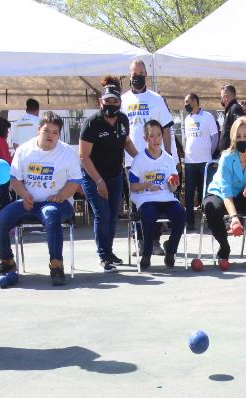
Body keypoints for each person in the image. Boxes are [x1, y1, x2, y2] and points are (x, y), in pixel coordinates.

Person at [0, 111, 82, 286]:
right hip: (28, 202)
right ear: (38, 130)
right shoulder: (24, 150)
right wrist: (24, 195)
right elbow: (14, 178)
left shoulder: (67, 152)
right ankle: (7, 263)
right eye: (47, 131)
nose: (51, 136)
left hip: (57, 204)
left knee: (51, 214)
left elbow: (75, 180)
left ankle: (56, 266)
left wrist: (61, 195)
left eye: (55, 132)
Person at [79, 76, 138, 273]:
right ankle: (102, 256)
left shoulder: (123, 120)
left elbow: (126, 142)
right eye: (108, 101)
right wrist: (98, 180)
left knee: (113, 216)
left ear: (120, 103)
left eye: (115, 101)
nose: (111, 105)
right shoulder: (91, 124)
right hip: (93, 176)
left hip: (115, 175)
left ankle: (109, 252)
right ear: (100, 102)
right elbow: (84, 156)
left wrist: (141, 159)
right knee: (101, 214)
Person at [121, 59, 174, 256]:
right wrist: (135, 156)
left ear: (147, 76)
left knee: (157, 198)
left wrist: (167, 155)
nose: (137, 78)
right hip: (132, 161)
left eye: (141, 74)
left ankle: (155, 241)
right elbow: (121, 133)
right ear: (129, 76)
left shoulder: (156, 99)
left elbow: (166, 129)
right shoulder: (123, 100)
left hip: (157, 161)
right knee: (136, 203)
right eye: (134, 75)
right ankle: (140, 242)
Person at [204, 116, 246, 269]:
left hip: (242, 194)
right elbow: (226, 193)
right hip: (220, 193)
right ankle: (224, 247)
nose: (242, 139)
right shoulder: (226, 157)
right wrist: (234, 218)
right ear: (233, 137)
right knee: (212, 207)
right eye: (238, 136)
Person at [128, 120, 185, 271]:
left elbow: (173, 188)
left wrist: (173, 184)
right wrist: (146, 185)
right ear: (145, 138)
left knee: (180, 214)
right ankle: (146, 253)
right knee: (148, 214)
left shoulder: (168, 159)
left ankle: (170, 249)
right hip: (146, 199)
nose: (156, 139)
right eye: (152, 136)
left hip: (166, 197)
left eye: (159, 135)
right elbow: (132, 187)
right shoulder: (139, 160)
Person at [182, 92, 219, 230]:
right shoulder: (187, 119)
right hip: (190, 162)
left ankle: (209, 220)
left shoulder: (208, 117)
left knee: (206, 192)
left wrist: (208, 154)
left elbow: (215, 137)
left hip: (205, 162)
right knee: (189, 193)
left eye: (187, 102)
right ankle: (190, 222)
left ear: (195, 102)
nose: (185, 105)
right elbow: (186, 139)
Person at [219, 84, 245, 153]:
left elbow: (239, 130)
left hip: (232, 153)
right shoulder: (230, 109)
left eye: (221, 97)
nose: (221, 100)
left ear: (226, 97)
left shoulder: (235, 108)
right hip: (228, 153)